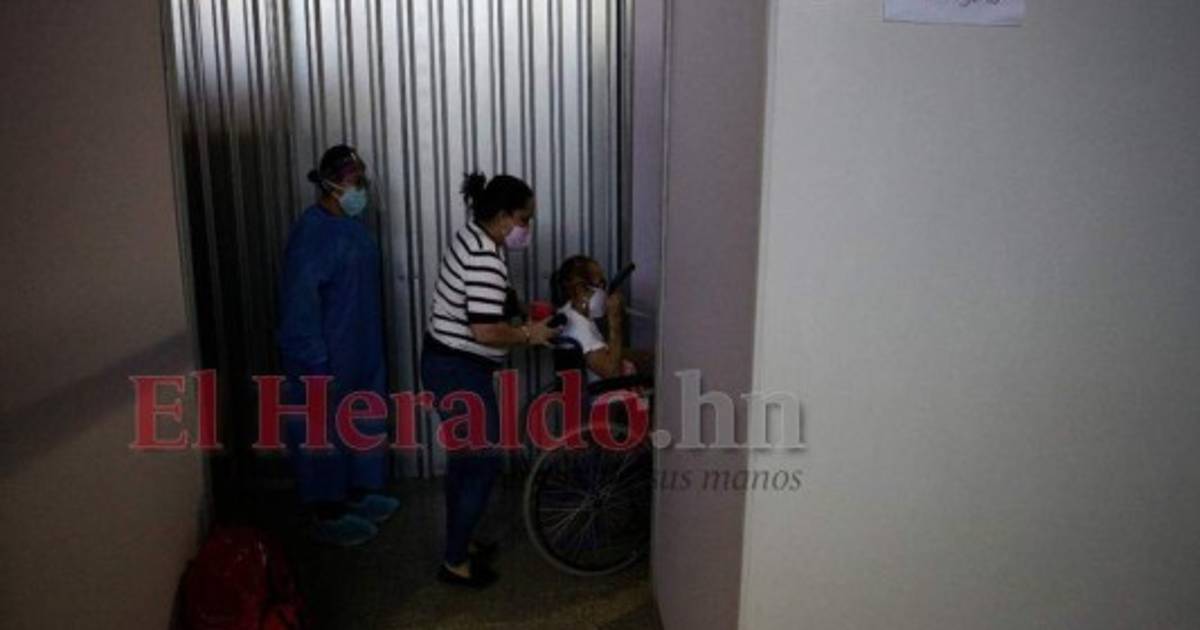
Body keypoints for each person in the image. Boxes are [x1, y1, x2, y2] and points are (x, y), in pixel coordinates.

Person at [421, 172, 559, 588]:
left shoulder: (475, 237)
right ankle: (454, 562)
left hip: (447, 363)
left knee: (465, 462)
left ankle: (459, 541)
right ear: (501, 216)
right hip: (458, 370)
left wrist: (523, 311)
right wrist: (529, 334)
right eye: (524, 218)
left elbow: (490, 301)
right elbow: (485, 331)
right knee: (481, 465)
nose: (527, 228)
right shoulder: (485, 258)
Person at [276, 144, 398, 547]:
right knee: (323, 430)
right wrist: (312, 360)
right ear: (329, 184)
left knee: (361, 420)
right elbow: (299, 303)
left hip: (361, 349)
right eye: (353, 181)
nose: (361, 188)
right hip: (325, 354)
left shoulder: (355, 230)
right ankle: (326, 509)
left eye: (362, 180)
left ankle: (358, 492)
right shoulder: (311, 234)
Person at [553, 255, 651, 382]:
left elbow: (605, 350)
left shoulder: (570, 313)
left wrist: (645, 356)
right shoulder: (579, 329)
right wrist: (614, 319)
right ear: (580, 289)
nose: (604, 292)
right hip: (603, 393)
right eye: (601, 284)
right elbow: (612, 374)